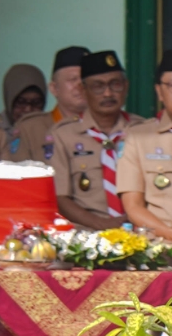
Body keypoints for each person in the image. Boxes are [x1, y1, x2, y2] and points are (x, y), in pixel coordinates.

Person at [51, 49, 146, 230]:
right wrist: (102, 224)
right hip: (88, 237)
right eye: (98, 86)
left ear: (126, 86)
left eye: (115, 84)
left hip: (141, 232)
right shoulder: (63, 135)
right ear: (83, 90)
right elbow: (60, 197)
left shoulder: (142, 131)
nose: (108, 94)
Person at [118, 49, 172, 245]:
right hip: (161, 248)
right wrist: (171, 234)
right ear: (159, 91)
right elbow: (133, 206)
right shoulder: (139, 137)